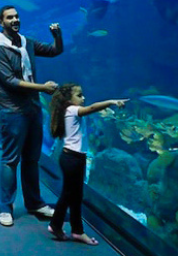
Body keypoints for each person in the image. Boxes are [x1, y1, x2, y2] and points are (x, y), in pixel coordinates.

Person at [0, 5, 63, 227]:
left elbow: (53, 51)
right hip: (13, 110)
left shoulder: (26, 42)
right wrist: (42, 88)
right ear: (1, 22)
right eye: (9, 17)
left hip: (32, 109)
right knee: (10, 160)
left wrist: (57, 36)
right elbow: (9, 81)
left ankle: (35, 203)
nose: (15, 20)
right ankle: (4, 207)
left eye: (17, 16)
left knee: (32, 159)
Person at [48, 84, 127, 245]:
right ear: (69, 99)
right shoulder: (71, 110)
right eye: (79, 95)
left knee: (76, 196)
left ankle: (77, 231)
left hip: (75, 158)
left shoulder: (70, 111)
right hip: (72, 159)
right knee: (69, 194)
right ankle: (56, 225)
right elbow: (91, 108)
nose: (83, 98)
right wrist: (111, 101)